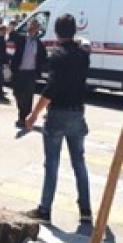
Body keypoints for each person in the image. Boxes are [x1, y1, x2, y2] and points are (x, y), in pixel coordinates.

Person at [24, 14, 92, 224]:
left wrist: (34, 113)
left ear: (56, 31)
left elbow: (51, 89)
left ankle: (45, 210)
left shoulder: (58, 56)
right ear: (75, 31)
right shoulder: (83, 55)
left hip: (57, 114)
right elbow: (83, 49)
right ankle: (86, 210)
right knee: (79, 162)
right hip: (77, 113)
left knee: (52, 164)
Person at [9, 20, 47, 128]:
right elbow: (12, 35)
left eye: (35, 27)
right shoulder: (21, 39)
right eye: (31, 26)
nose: (33, 29)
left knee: (28, 95)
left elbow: (43, 57)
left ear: (38, 29)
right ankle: (23, 113)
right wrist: (15, 27)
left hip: (31, 73)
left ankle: (24, 118)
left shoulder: (39, 43)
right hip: (19, 71)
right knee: (17, 93)